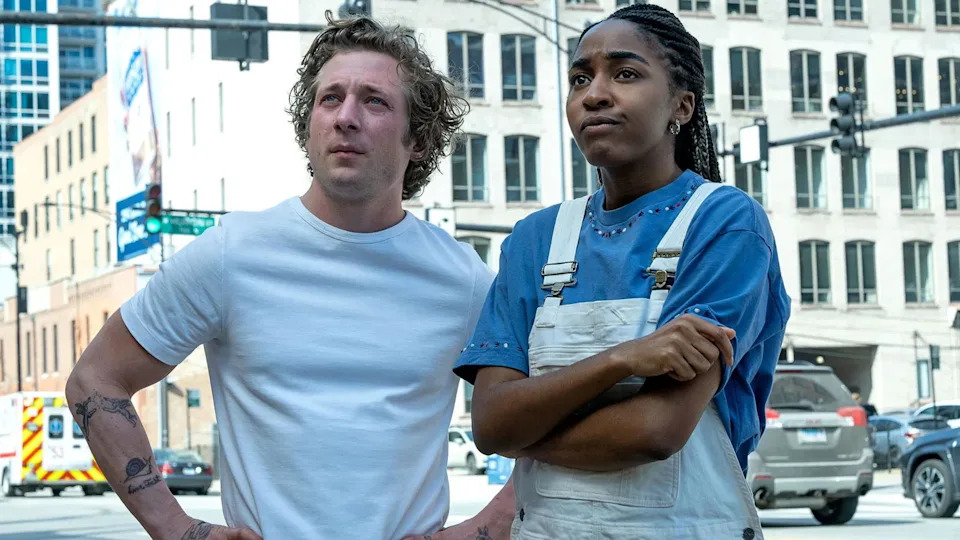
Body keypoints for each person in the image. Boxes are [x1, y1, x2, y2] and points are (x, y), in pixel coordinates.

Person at [66, 14, 514, 540]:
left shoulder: (462, 278)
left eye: (374, 100)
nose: (346, 117)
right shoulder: (232, 254)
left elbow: (555, 411)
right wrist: (174, 527)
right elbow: (94, 379)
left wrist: (487, 528)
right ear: (309, 125)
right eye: (330, 98)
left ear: (418, 139)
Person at [454, 4, 791, 539]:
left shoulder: (727, 225)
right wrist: (622, 359)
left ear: (682, 106)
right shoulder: (534, 240)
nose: (595, 94)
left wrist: (525, 430)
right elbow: (490, 423)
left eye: (626, 73)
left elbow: (654, 431)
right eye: (580, 78)